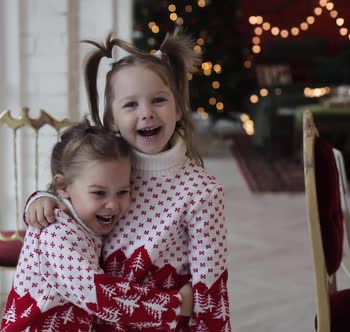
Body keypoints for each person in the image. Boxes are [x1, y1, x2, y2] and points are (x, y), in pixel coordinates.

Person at [26, 29, 231, 331]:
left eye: (158, 100)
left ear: (178, 107)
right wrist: (43, 199)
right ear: (111, 119)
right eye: (131, 105)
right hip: (99, 317)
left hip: (163, 323)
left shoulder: (201, 191)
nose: (146, 113)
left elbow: (210, 287)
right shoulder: (105, 166)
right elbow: (68, 188)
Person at [0, 119, 194, 332]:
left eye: (122, 192)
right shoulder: (56, 233)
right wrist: (174, 305)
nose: (112, 205)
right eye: (99, 193)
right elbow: (98, 295)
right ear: (63, 186)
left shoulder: (83, 222)